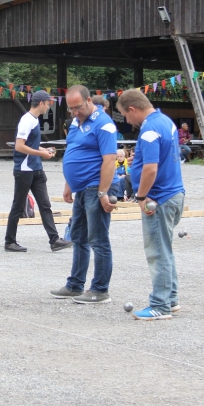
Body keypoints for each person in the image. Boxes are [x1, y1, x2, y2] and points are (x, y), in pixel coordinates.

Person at [117, 89, 185, 321]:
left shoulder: (148, 130)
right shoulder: (165, 121)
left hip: (159, 198)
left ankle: (160, 305)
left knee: (157, 252)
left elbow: (151, 169)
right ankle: (170, 299)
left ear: (133, 109)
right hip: (173, 193)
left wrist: (141, 196)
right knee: (165, 249)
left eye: (126, 116)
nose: (127, 121)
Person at [51, 85, 117, 304]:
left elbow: (110, 160)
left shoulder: (104, 124)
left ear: (90, 101)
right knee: (78, 237)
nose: (74, 112)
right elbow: (73, 152)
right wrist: (69, 183)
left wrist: (103, 192)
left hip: (95, 187)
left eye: (78, 107)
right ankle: (75, 285)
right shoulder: (75, 124)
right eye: (71, 109)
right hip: (81, 189)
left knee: (98, 239)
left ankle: (100, 289)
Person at [4, 91, 72, 253]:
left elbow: (31, 145)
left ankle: (54, 240)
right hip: (25, 169)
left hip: (36, 169)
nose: (49, 107)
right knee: (18, 206)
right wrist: (41, 154)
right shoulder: (27, 120)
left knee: (45, 205)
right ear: (41, 103)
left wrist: (44, 149)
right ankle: (9, 241)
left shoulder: (33, 120)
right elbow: (19, 146)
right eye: (48, 104)